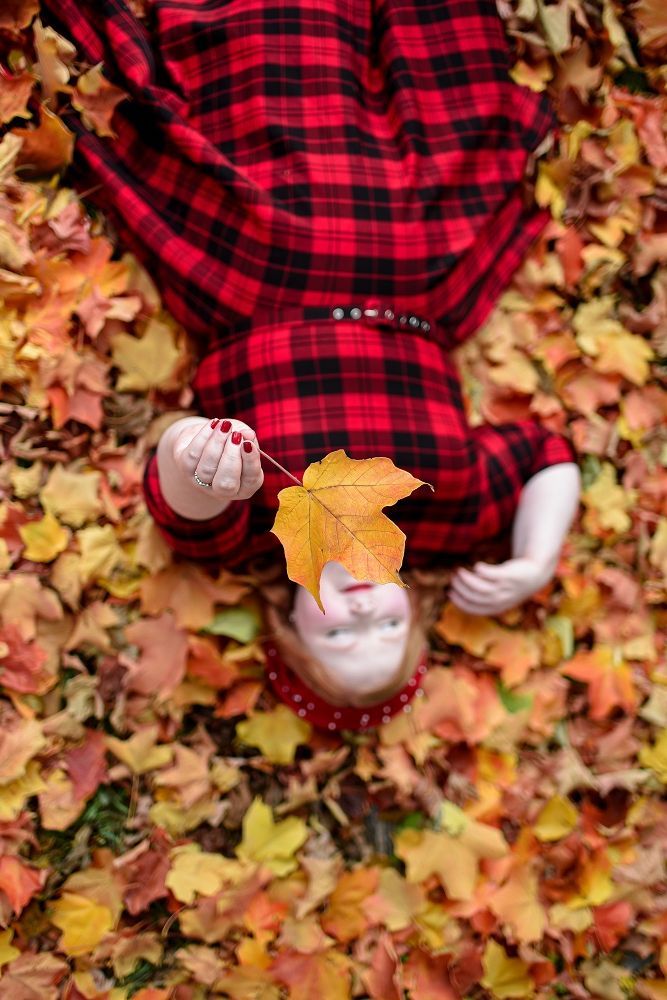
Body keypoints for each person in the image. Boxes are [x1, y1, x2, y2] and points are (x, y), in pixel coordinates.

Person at [41, 0, 581, 731]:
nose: (360, 613)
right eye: (386, 630)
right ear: (414, 606)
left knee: (276, 75)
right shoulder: (446, 515)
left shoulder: (263, 535)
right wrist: (534, 557)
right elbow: (545, 457)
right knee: (445, 92)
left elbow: (181, 502)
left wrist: (198, 463)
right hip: (416, 277)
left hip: (263, 276)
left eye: (336, 633)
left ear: (291, 618)